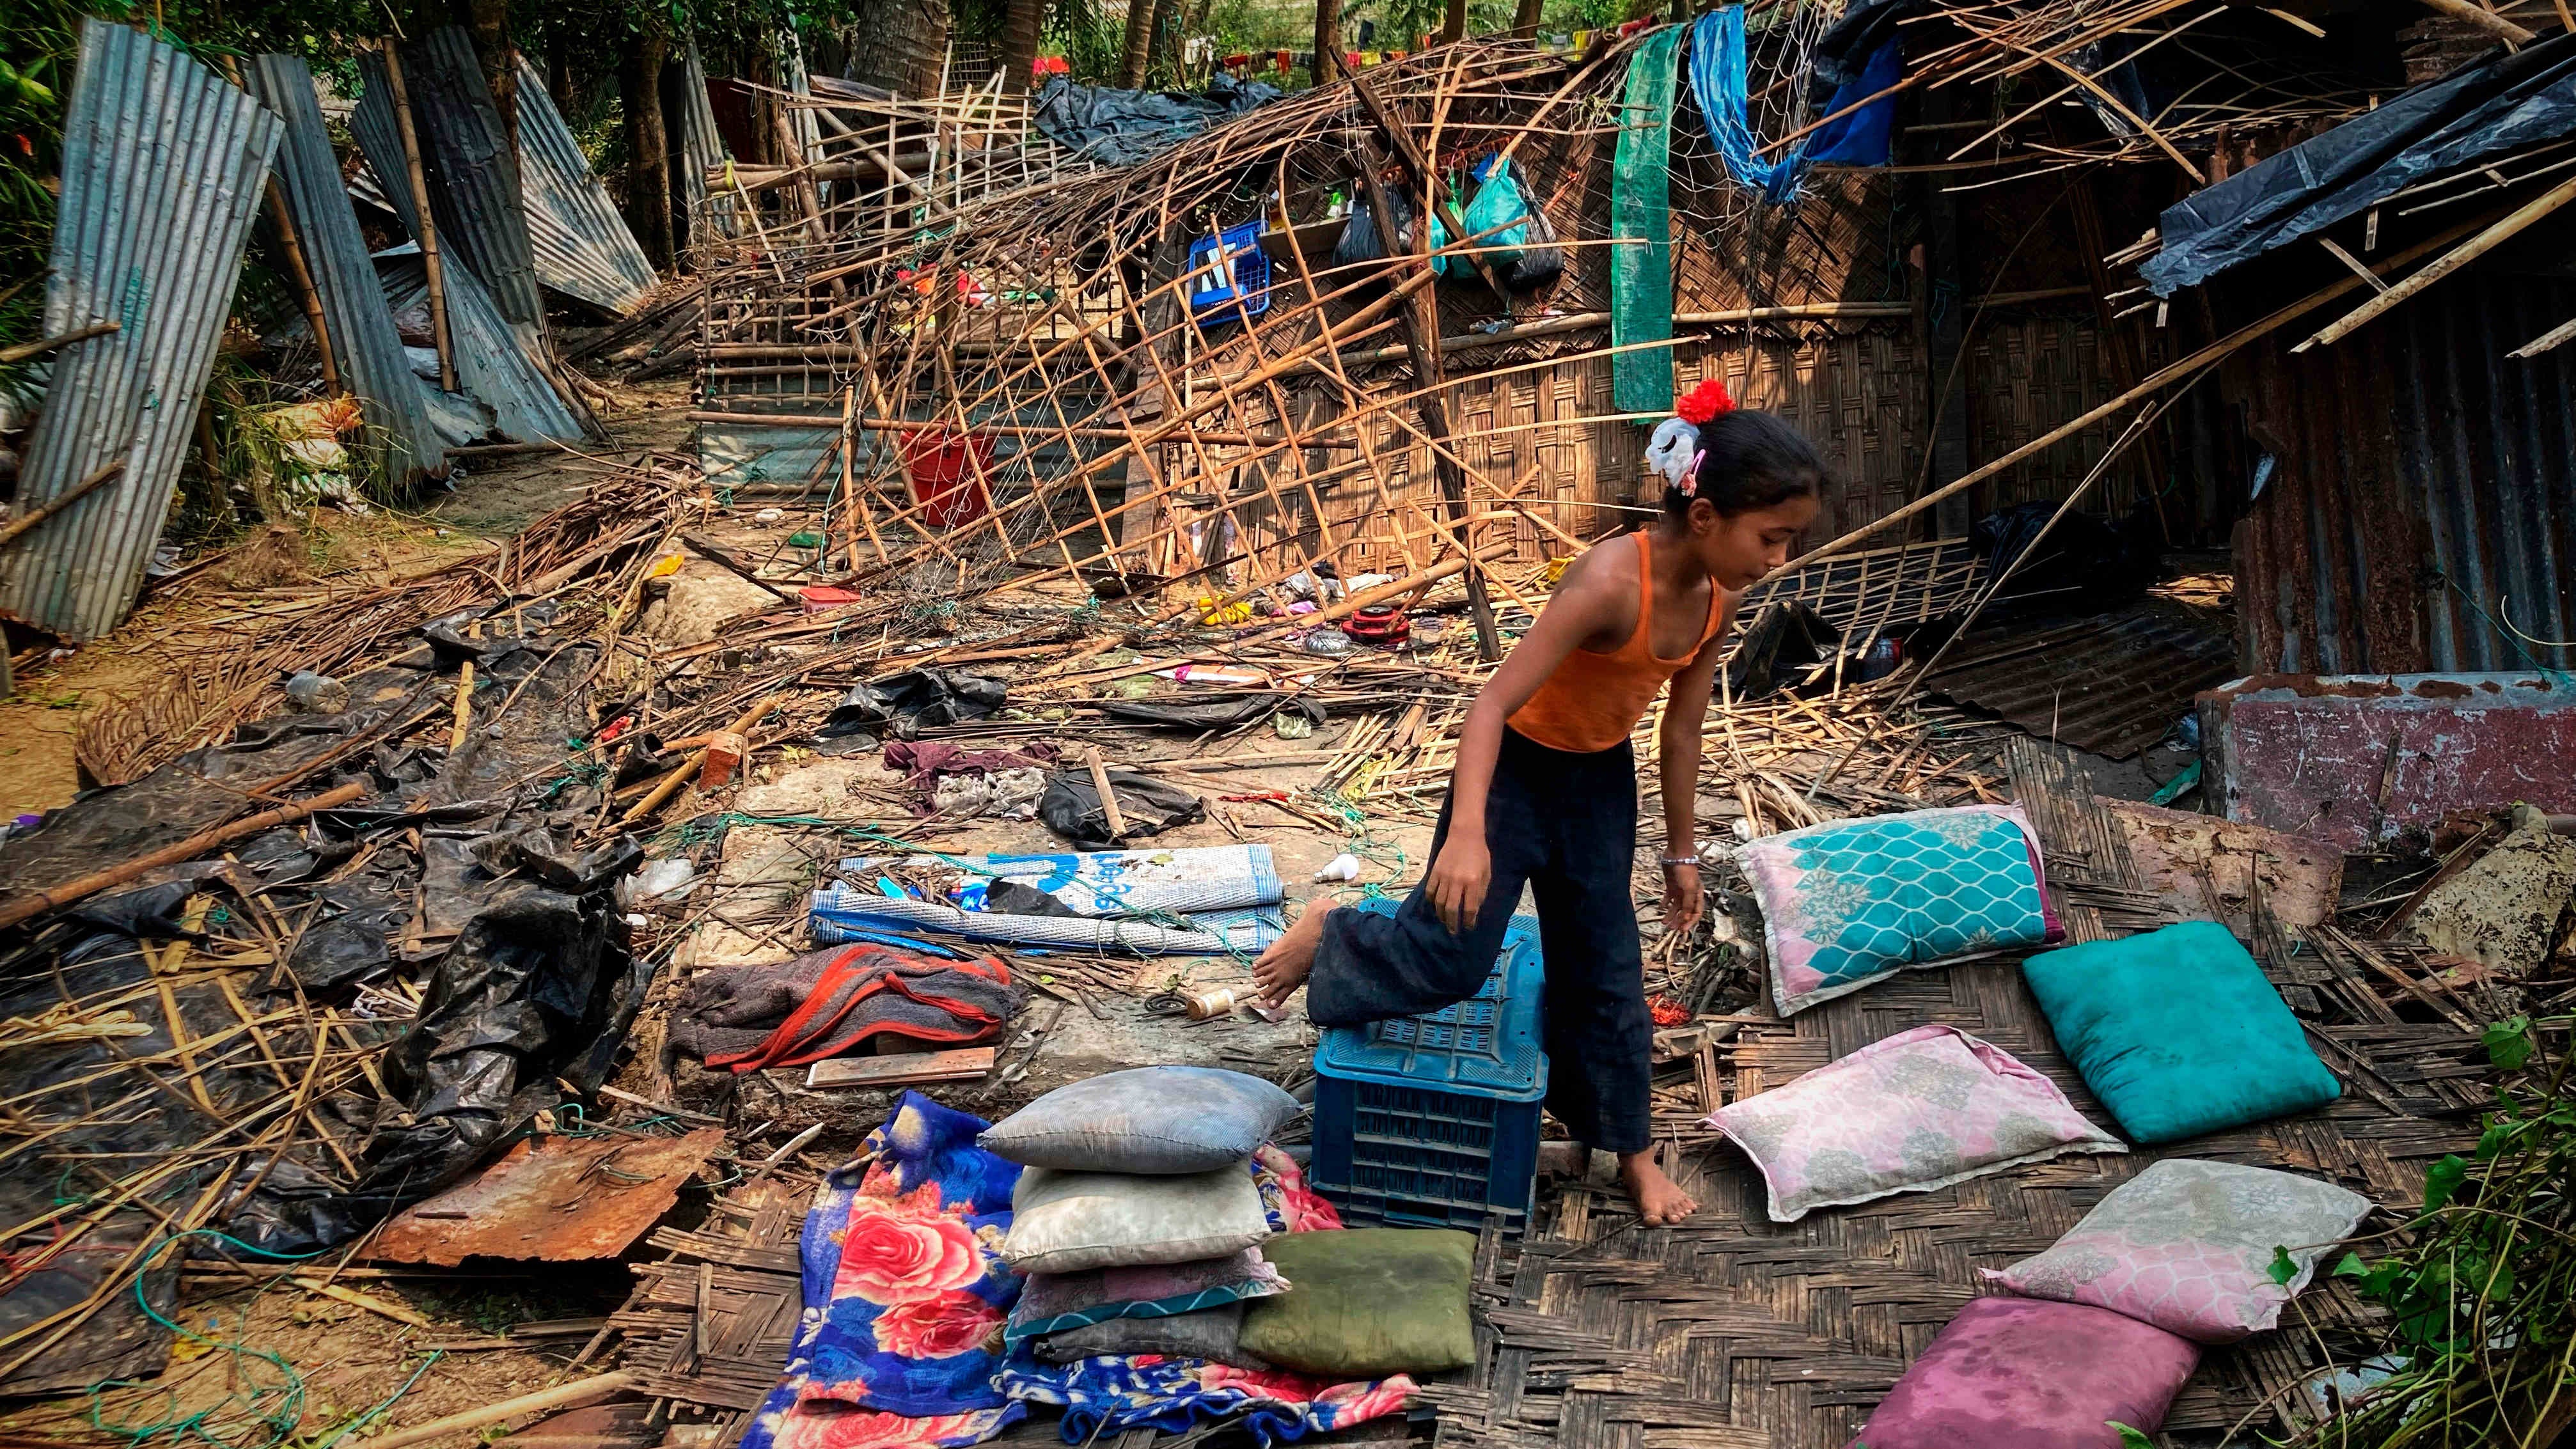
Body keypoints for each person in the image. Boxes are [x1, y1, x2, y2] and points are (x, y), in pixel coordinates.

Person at [1252, 378, 1826, 1225]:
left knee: (1608, 973)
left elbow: (1681, 732)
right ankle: (1336, 932)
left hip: (1597, 784)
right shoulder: (1605, 582)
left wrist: (1680, 854)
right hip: (1513, 773)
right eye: (1771, 536)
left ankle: (1631, 1154)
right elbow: (1489, 705)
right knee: (1454, 959)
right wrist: (1468, 835)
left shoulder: (1721, 597)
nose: (1778, 558)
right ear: (1706, 517)